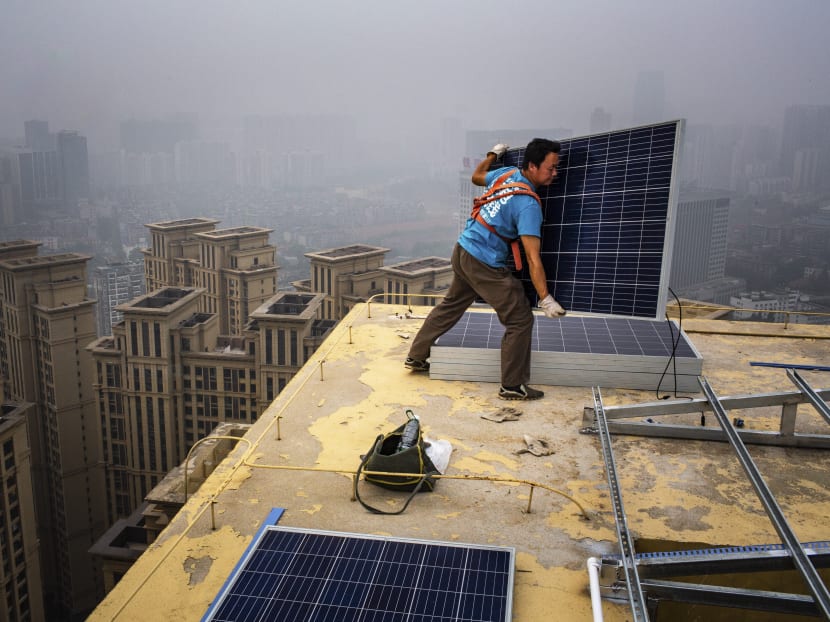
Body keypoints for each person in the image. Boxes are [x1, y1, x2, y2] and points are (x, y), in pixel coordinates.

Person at [405, 138, 566, 400]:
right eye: (550, 168)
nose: (555, 173)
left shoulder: (506, 174)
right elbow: (533, 258)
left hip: (463, 249)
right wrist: (545, 298)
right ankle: (512, 386)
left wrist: (492, 154)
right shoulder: (528, 205)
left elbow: (477, 176)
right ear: (533, 167)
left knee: (451, 305)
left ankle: (416, 356)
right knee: (520, 319)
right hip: (484, 262)